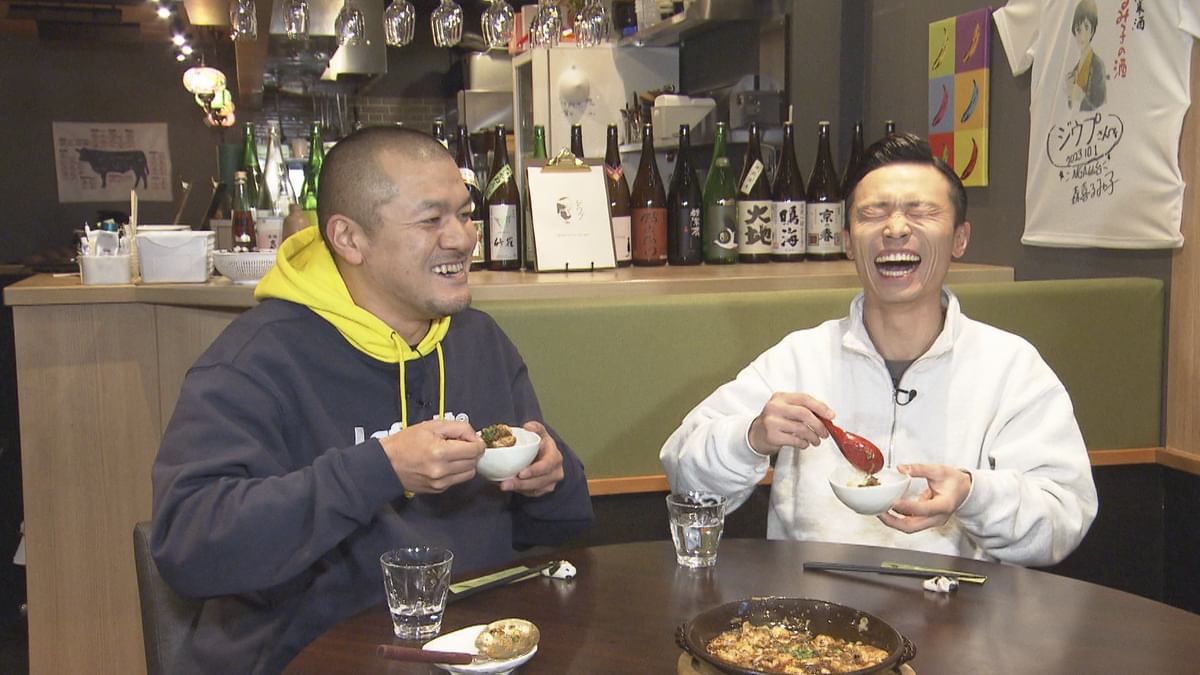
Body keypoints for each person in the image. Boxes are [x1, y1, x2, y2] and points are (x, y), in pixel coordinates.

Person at [150, 126, 592, 673]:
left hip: (472, 651)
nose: (462, 238)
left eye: (465, 214)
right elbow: (189, 549)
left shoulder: (479, 342)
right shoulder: (257, 359)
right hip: (306, 658)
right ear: (349, 238)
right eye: (431, 220)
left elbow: (558, 527)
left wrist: (550, 479)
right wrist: (381, 469)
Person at [660, 133, 1097, 567]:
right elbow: (683, 475)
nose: (895, 229)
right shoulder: (799, 358)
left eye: (921, 211)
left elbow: (1063, 519)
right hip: (810, 602)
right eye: (873, 213)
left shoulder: (1011, 367)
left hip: (957, 603)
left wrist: (972, 494)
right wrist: (751, 437)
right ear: (848, 242)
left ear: (960, 239)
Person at [1064, 0, 1106, 111]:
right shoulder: (1075, 69)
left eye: (1086, 28)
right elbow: (1070, 109)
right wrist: (1069, 94)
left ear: (1092, 31)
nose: (1082, 35)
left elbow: (1101, 107)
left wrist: (1080, 96)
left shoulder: (1097, 66)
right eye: (1078, 29)